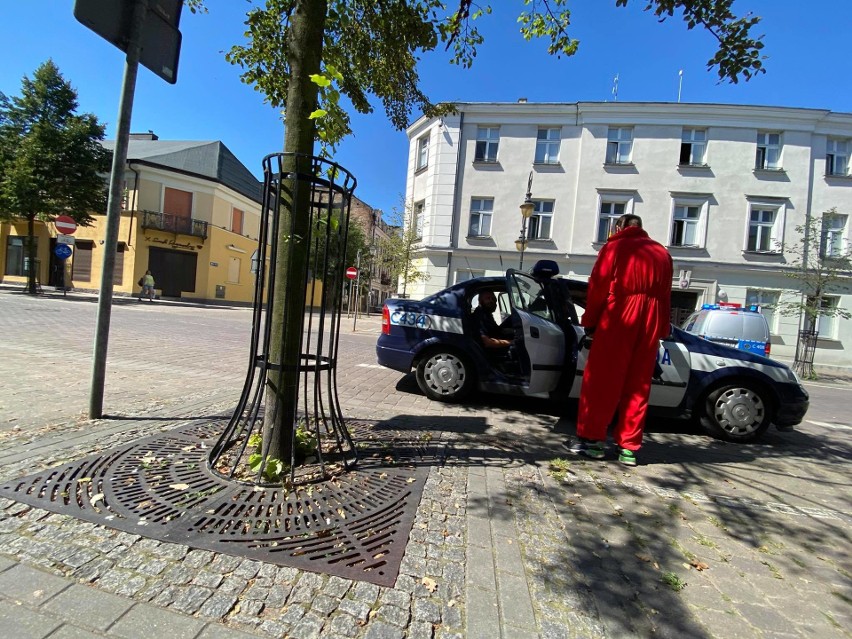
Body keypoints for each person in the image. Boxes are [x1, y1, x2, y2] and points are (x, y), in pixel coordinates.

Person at [571, 214, 673, 466]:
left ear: (619, 227)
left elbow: (598, 286)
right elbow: (666, 293)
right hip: (650, 318)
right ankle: (628, 448)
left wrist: (591, 321)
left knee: (603, 379)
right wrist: (661, 328)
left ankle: (593, 442)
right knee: (638, 384)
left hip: (620, 313)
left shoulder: (614, 247)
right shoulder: (662, 253)